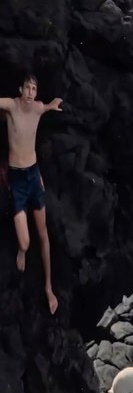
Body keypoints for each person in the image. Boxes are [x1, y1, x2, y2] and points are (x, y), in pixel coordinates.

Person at [0, 76, 62, 314]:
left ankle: (48, 288)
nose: (30, 92)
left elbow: (44, 108)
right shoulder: (11, 106)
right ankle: (22, 250)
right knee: (26, 241)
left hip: (34, 177)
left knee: (43, 234)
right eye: (27, 87)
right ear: (20, 89)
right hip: (17, 179)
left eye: (34, 88)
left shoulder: (37, 107)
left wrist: (51, 105)